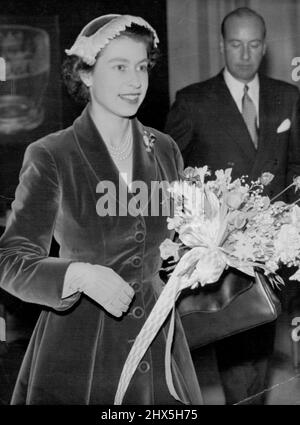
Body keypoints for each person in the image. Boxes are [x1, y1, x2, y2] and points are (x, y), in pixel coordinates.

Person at [0, 14, 203, 405]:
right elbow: (10, 260)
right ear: (87, 74)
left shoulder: (164, 148)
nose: (136, 81)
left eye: (142, 67)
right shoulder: (52, 155)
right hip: (81, 353)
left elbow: (181, 243)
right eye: (120, 67)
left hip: (158, 345)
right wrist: (78, 274)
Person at [165, 7, 300, 404]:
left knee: (263, 346)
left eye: (254, 44)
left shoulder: (288, 96)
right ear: (222, 46)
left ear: (265, 47)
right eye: (236, 45)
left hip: (277, 251)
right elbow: (171, 175)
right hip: (224, 254)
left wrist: (289, 221)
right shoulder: (192, 102)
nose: (245, 54)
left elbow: (295, 165)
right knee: (240, 354)